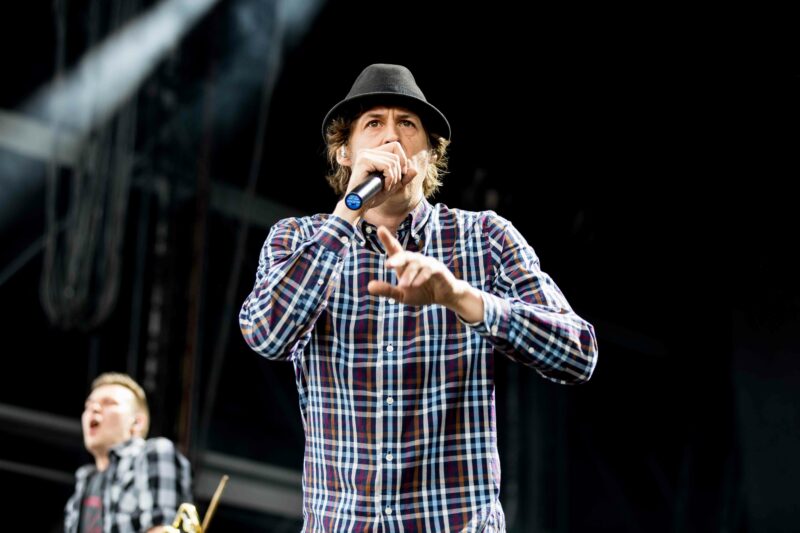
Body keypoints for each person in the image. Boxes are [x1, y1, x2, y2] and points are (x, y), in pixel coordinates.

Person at [239, 63, 598, 532]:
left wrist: (462, 297)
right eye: (374, 124)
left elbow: (577, 352)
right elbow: (267, 335)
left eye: (407, 125)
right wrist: (349, 212)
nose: (392, 138)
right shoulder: (297, 239)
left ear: (429, 155)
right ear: (345, 153)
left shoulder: (483, 237)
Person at [64, 372, 193, 533]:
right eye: (89, 406)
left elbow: (163, 528)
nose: (94, 409)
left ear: (137, 422)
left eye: (109, 403)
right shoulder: (83, 483)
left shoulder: (153, 453)